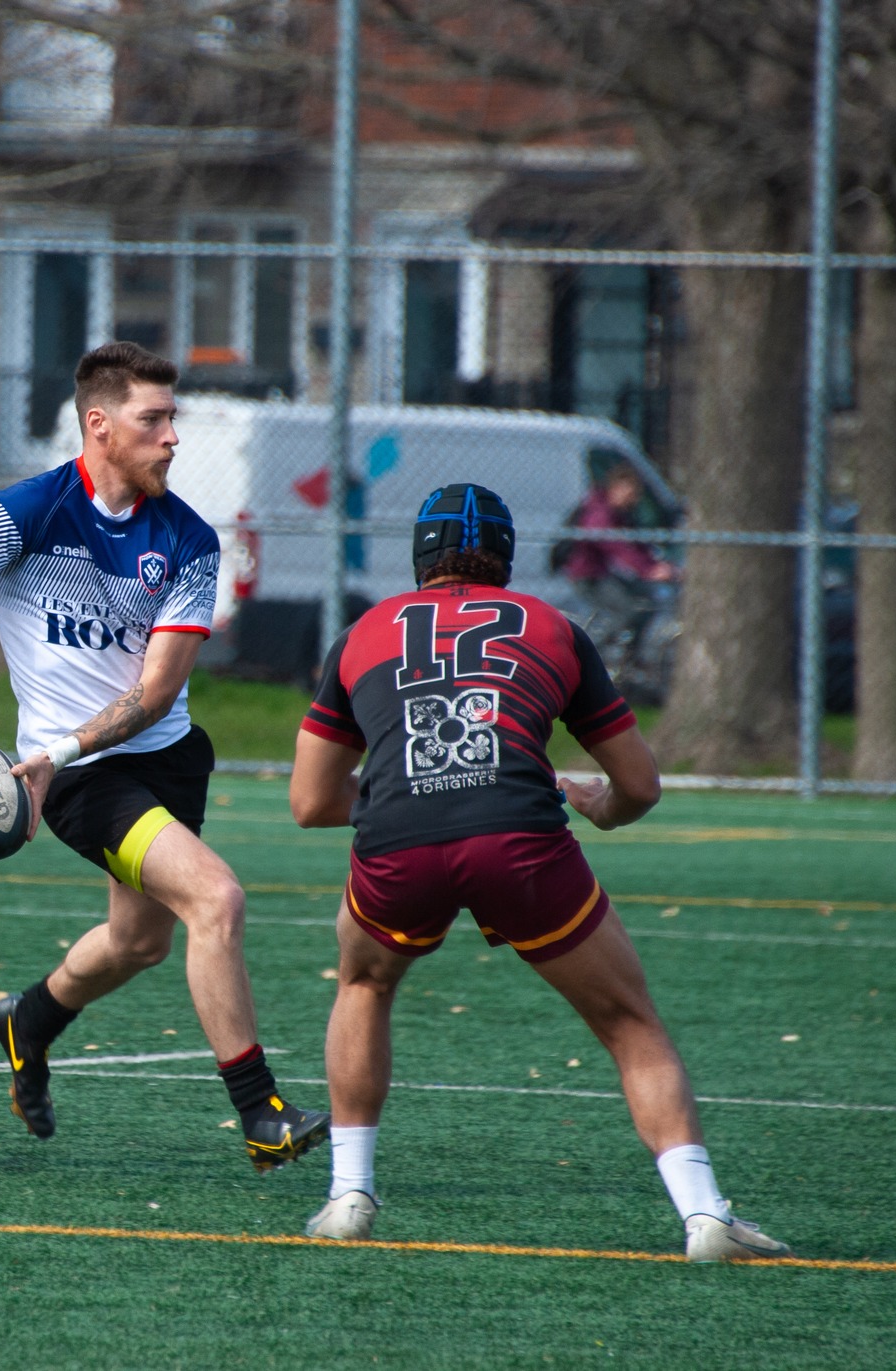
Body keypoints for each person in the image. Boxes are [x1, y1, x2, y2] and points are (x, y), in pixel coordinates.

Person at [288, 482, 789, 1261]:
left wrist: (410, 788)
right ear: (508, 557)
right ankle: (704, 1215)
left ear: (420, 556)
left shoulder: (362, 633)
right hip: (519, 835)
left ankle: (349, 1192)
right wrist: (597, 805)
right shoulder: (554, 626)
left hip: (398, 839)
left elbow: (312, 801)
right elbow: (641, 785)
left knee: (364, 981)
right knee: (628, 1020)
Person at [0, 341, 329, 1171]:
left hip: (154, 757)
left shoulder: (190, 541)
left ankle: (30, 1021)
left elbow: (155, 693)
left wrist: (57, 745)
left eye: (173, 420)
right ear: (98, 424)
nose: (171, 438)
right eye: (152, 420)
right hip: (79, 783)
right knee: (217, 899)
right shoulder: (26, 511)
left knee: (138, 942)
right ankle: (261, 1112)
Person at [561, 464, 677, 670]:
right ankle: (588, 655)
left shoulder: (619, 513)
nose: (633, 500)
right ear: (616, 488)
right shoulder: (599, 511)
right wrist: (647, 570)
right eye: (630, 493)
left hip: (603, 574)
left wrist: (657, 566)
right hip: (588, 576)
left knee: (648, 602)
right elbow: (616, 545)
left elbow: (636, 545)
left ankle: (631, 659)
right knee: (627, 610)